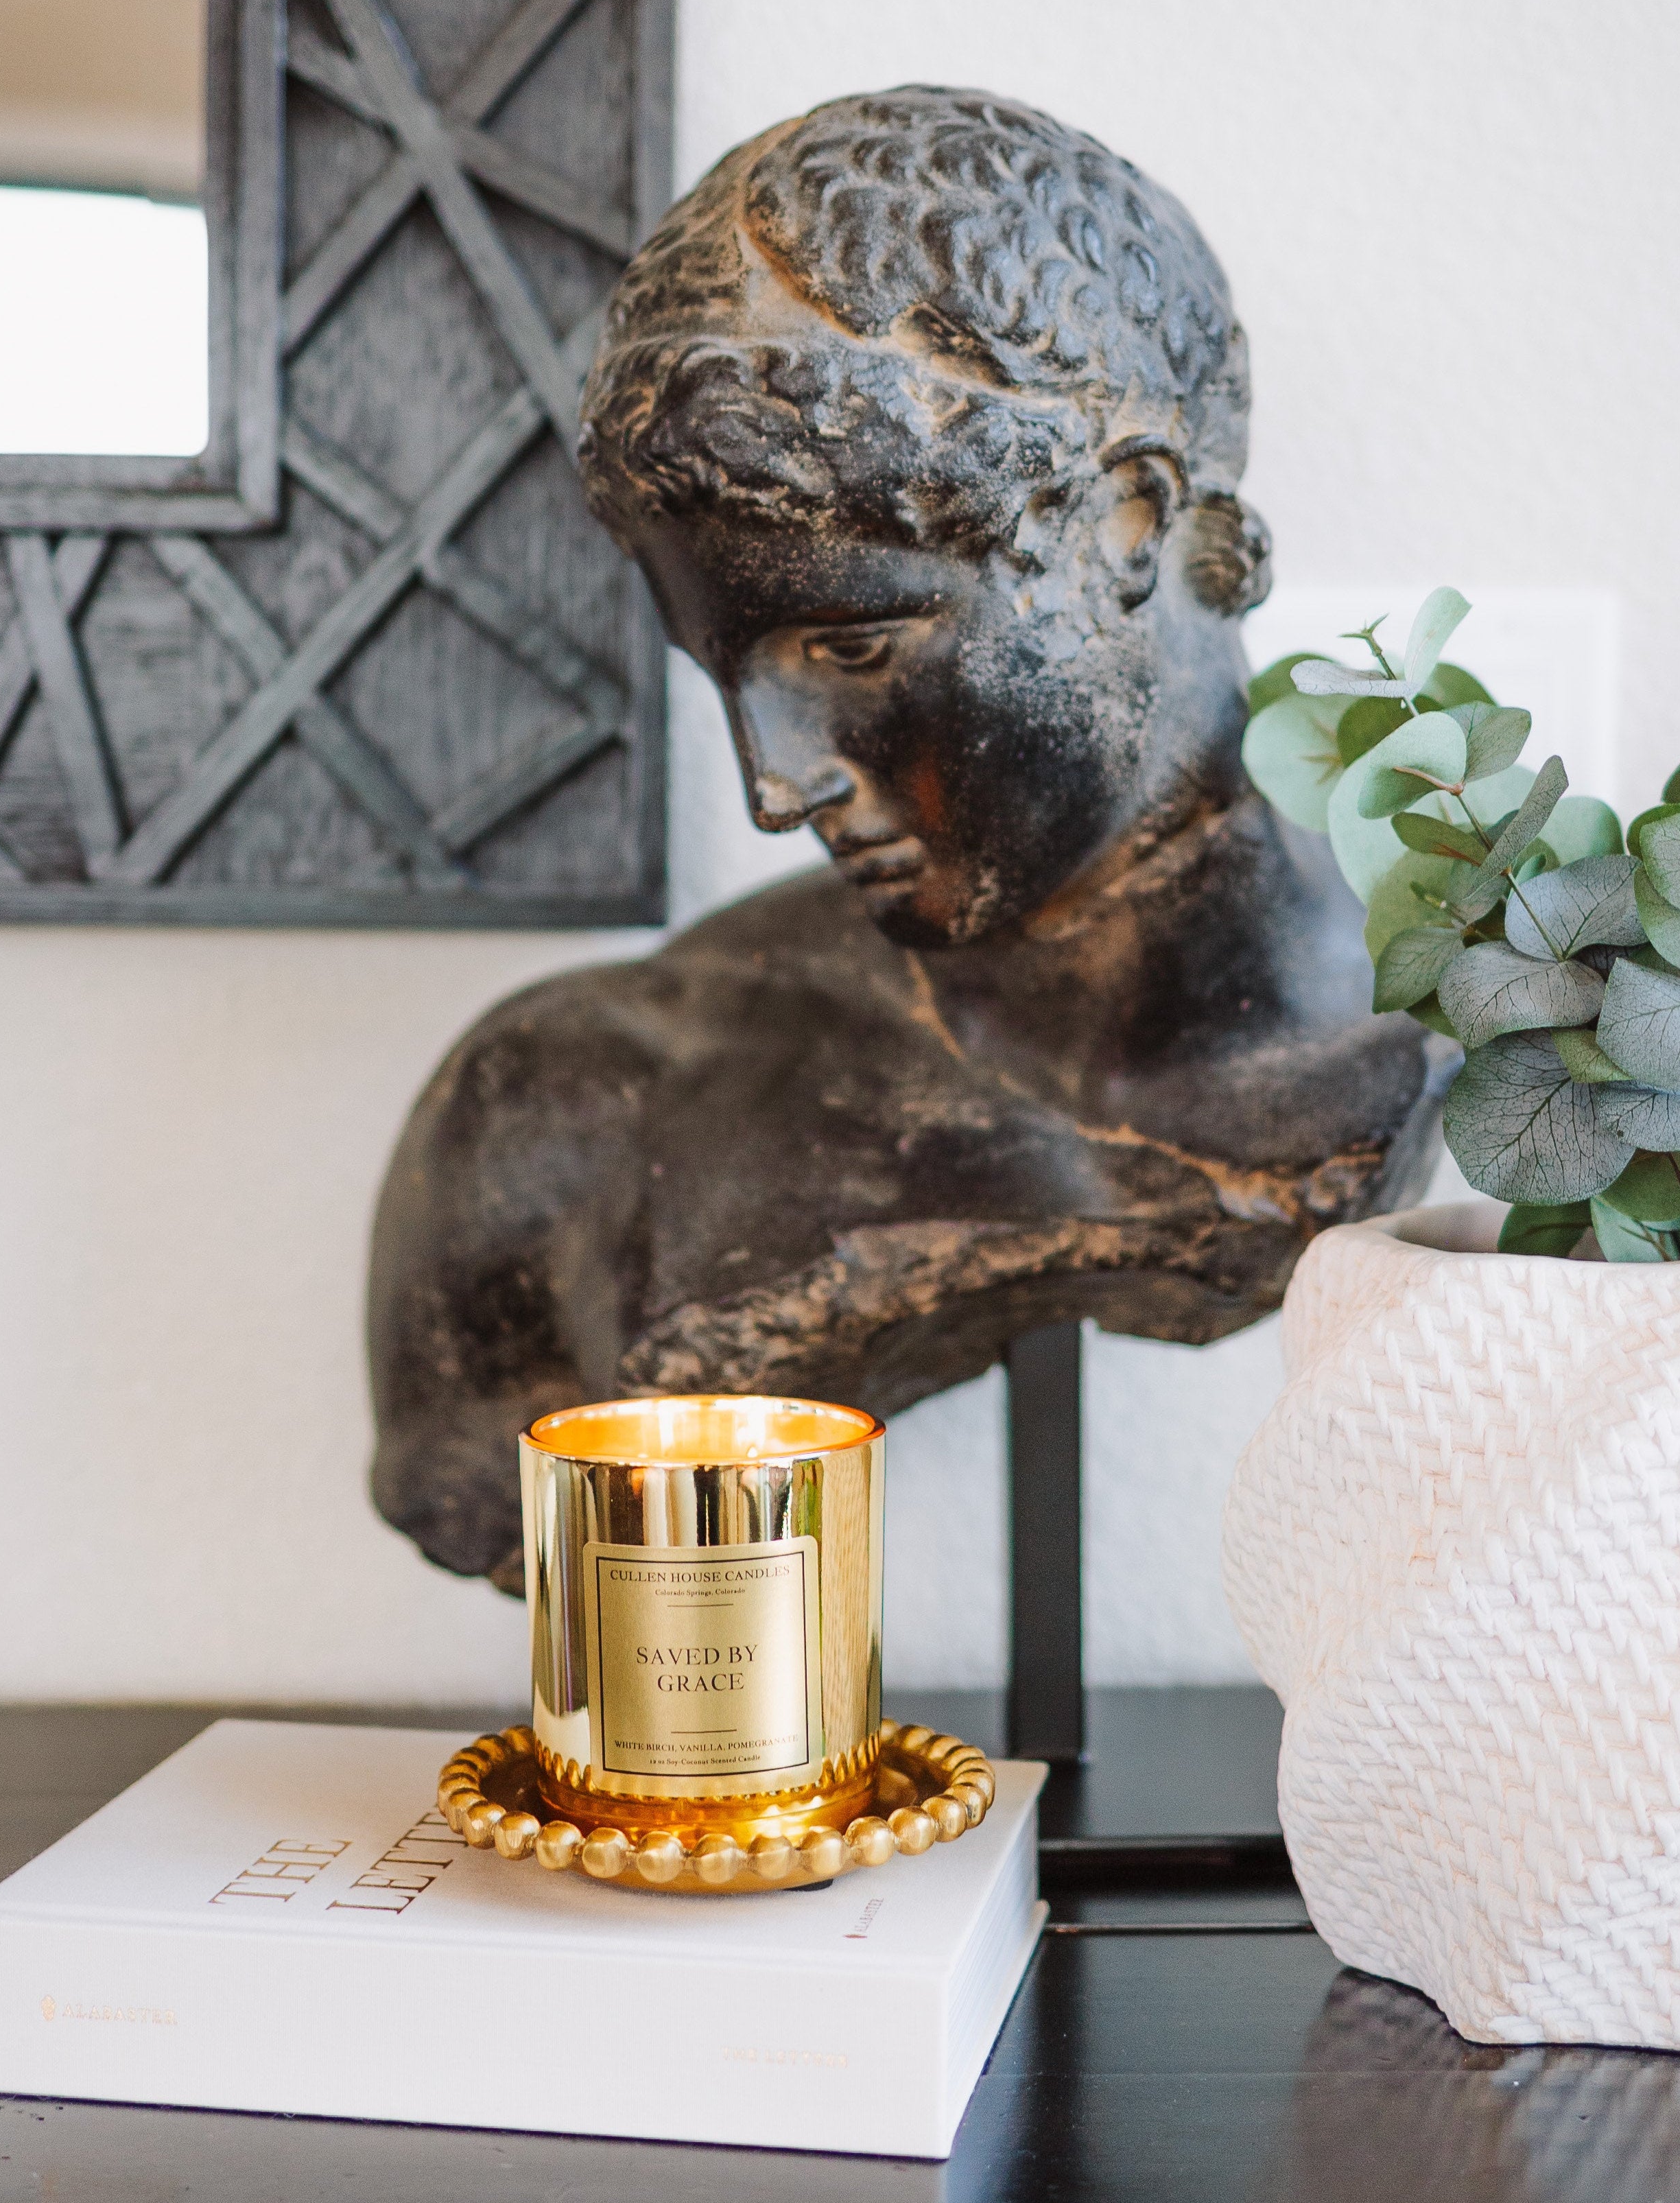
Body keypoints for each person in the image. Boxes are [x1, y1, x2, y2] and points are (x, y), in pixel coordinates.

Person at [369, 86, 1442, 1592]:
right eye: (725, 675)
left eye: (852, 651)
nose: (772, 789)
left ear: (1129, 524)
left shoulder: (1472, 1011)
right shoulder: (571, 1105)